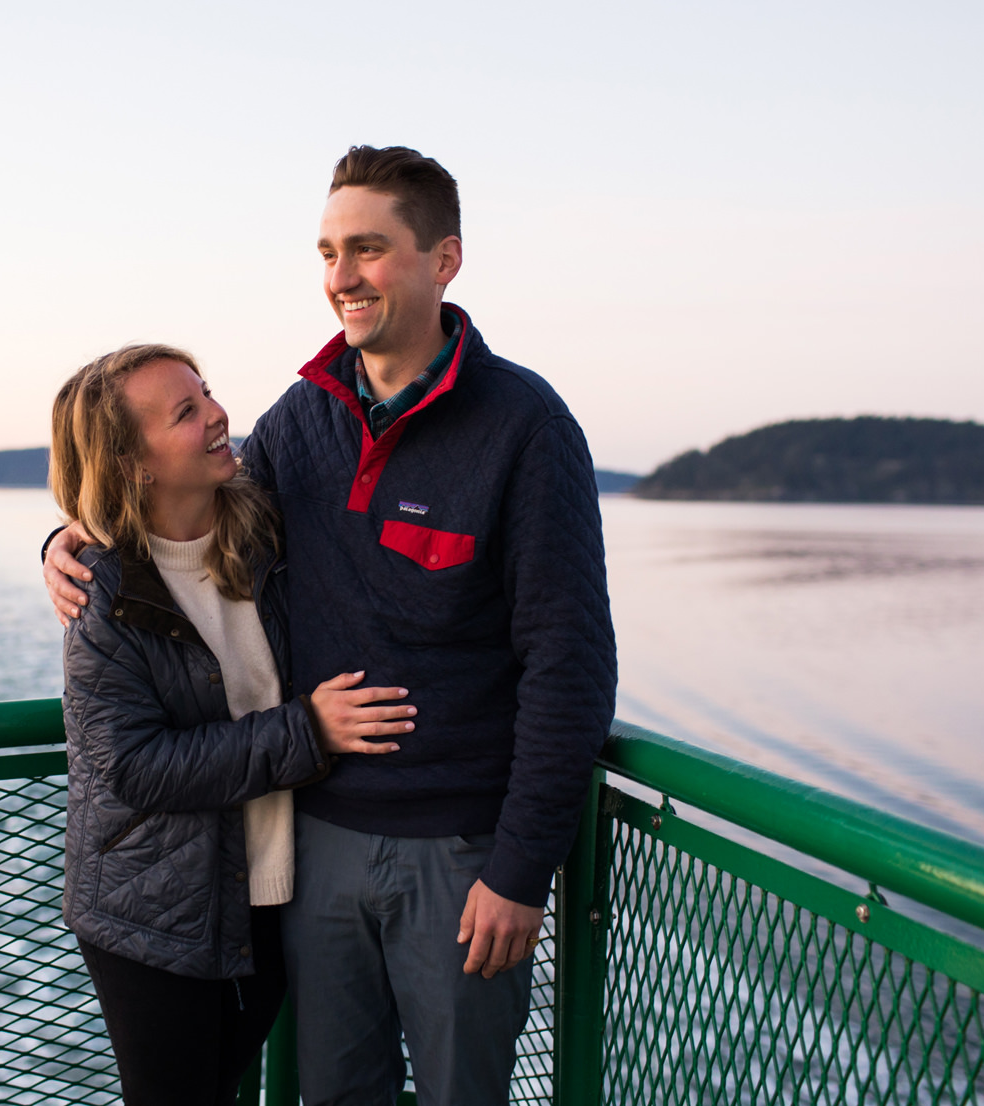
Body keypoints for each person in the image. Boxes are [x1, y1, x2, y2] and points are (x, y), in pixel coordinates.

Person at [46, 147, 617, 1105]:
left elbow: (570, 666)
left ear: (444, 260)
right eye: (326, 252)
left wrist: (521, 869)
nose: (341, 277)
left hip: (458, 855)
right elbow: (172, 506)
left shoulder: (526, 426)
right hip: (313, 848)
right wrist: (71, 539)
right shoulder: (303, 420)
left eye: (368, 249)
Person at [50, 342, 418, 1106]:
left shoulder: (269, 534)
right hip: (157, 911)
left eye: (207, 392)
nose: (218, 415)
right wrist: (307, 731)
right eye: (186, 412)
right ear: (133, 464)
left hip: (275, 895)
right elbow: (137, 768)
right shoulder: (102, 596)